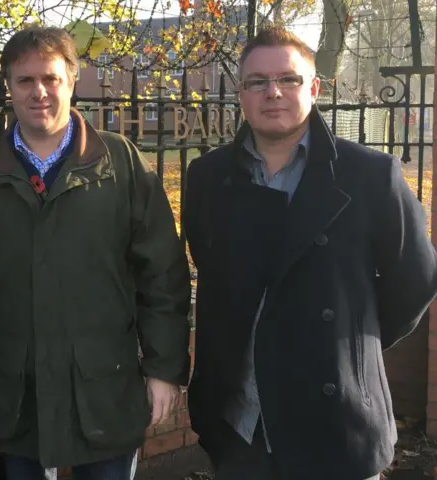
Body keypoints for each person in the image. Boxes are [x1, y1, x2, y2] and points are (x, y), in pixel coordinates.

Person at [184, 27, 437, 480]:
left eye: (289, 78)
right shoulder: (207, 177)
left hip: (338, 421)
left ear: (314, 87)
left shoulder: (370, 176)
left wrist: (352, 339)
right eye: (256, 81)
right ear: (241, 93)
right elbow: (214, 269)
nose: (273, 92)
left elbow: (415, 279)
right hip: (242, 424)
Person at [0, 26, 190, 480]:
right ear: (8, 87)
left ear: (72, 80)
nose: (38, 91)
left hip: (104, 387)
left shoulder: (120, 164)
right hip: (16, 391)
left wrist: (163, 369)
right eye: (25, 80)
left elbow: (163, 275)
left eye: (50, 78)